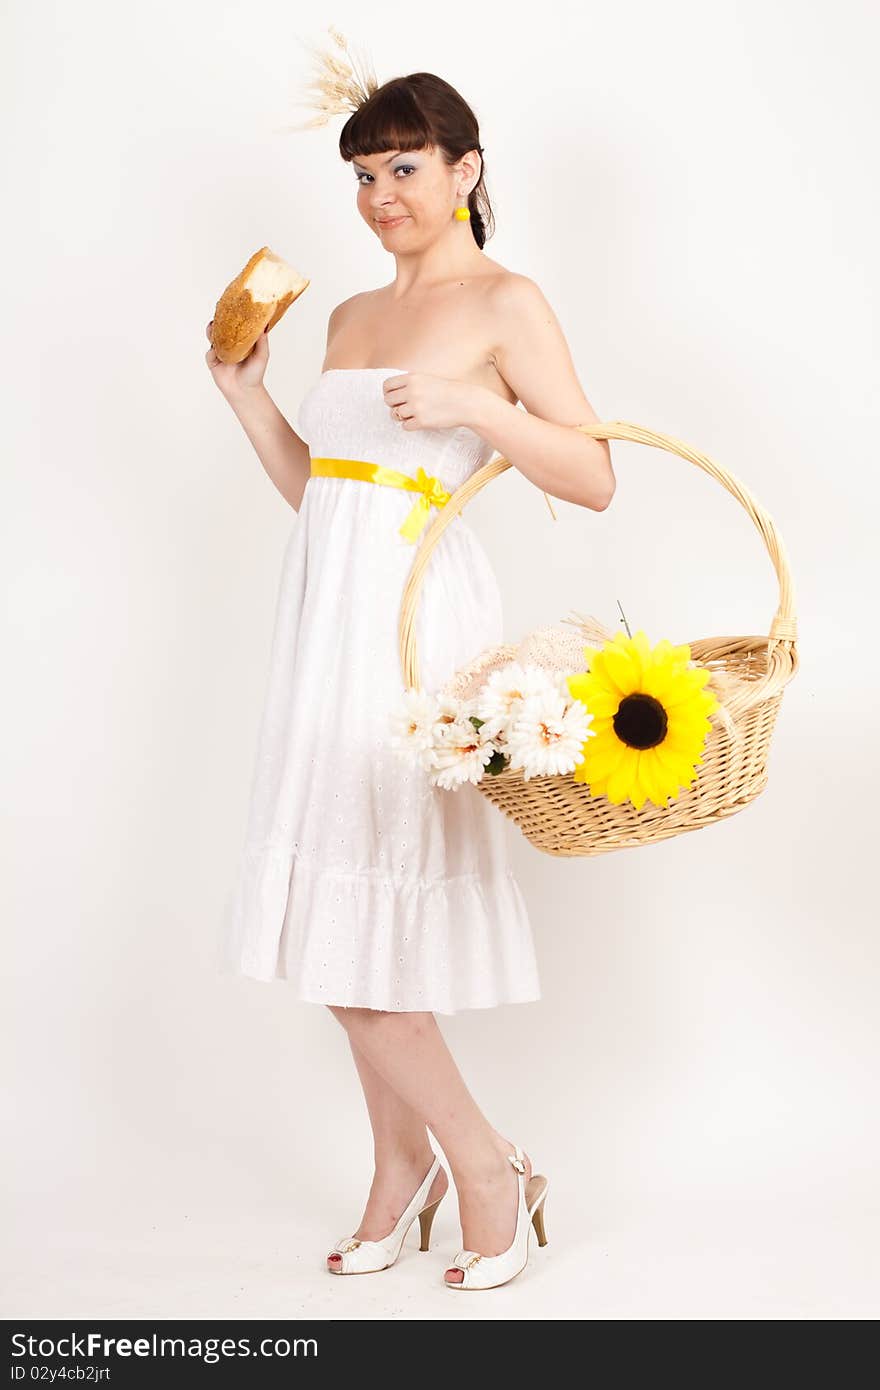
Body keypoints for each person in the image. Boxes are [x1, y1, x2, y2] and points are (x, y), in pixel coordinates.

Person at [205, 46, 614, 1291]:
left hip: (414, 628)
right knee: (338, 917)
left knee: (366, 914)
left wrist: (477, 409)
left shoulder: (506, 301)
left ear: (463, 170)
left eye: (403, 166)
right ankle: (402, 1172)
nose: (382, 193)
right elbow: (323, 497)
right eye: (364, 173)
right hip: (324, 615)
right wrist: (242, 392)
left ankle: (481, 1164)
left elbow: (592, 476)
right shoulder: (344, 316)